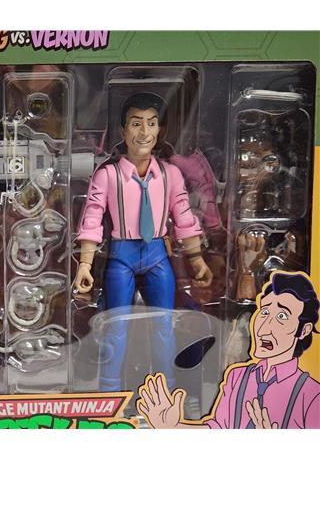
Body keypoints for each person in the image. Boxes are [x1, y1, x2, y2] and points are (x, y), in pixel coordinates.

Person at [74, 92, 212, 391]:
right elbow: (92, 217)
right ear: (123, 131)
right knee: (116, 329)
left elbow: (184, 216)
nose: (144, 132)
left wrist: (196, 259)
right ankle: (109, 394)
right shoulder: (108, 175)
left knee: (164, 327)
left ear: (159, 129)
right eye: (136, 124)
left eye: (151, 123)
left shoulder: (170, 174)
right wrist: (85, 263)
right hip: (120, 257)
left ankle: (165, 392)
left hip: (157, 254)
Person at [137, 271, 320, 429]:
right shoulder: (237, 377)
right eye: (264, 312)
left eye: (282, 316)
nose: (265, 327)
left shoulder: (311, 394)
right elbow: (217, 429)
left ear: (304, 330)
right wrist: (172, 427)